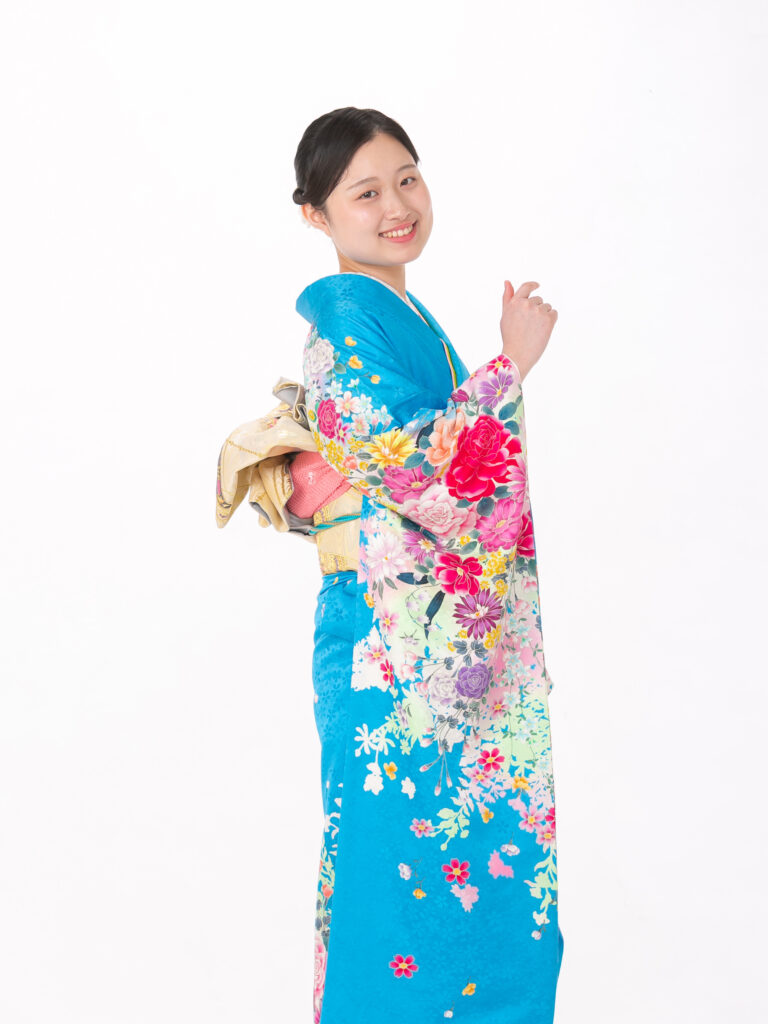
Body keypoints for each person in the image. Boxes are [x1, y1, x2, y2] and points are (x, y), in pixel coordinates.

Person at [291, 106, 563, 1024]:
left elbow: (421, 460)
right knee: (389, 883)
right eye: (365, 193)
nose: (397, 206)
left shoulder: (399, 315)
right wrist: (508, 366)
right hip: (386, 642)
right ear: (316, 215)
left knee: (474, 888)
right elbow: (413, 463)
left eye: (407, 179)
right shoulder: (345, 320)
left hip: (423, 638)